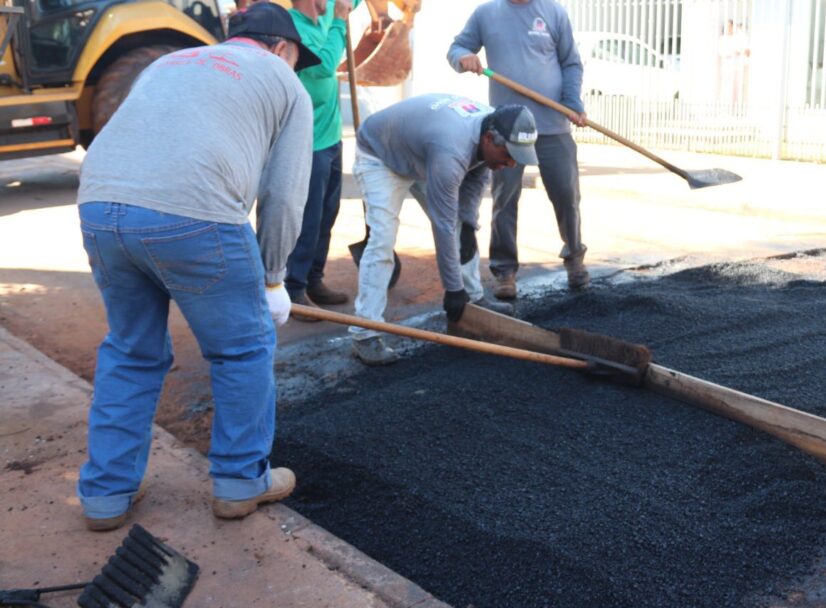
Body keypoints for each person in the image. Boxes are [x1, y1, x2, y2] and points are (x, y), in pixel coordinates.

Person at [75, 3, 318, 531]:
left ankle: (104, 497)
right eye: (297, 56)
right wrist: (273, 276)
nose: (296, 67)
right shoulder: (283, 80)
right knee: (242, 349)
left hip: (100, 207)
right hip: (195, 213)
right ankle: (239, 482)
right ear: (281, 48)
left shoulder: (170, 62)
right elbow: (284, 196)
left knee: (131, 351)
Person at [350, 94, 530, 365]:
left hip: (422, 152)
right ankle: (365, 333)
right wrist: (451, 289)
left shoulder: (493, 126)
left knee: (462, 227)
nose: (511, 164)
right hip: (381, 155)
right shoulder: (452, 150)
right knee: (383, 239)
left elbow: (476, 178)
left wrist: (468, 224)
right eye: (508, 156)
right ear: (489, 139)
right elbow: (442, 224)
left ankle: (473, 300)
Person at [448, 0, 589, 301]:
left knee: (566, 194)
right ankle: (504, 271)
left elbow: (571, 63)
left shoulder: (553, 12)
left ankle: (574, 257)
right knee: (505, 198)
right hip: (507, 132)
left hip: (552, 124)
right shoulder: (486, 14)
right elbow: (456, 49)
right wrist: (465, 58)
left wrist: (571, 102)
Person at [283, 0, 359, 319]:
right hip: (306, 141)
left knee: (328, 213)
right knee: (308, 218)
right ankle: (293, 287)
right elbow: (324, 65)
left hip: (331, 137)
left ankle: (314, 279)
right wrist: (340, 21)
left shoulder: (324, 14)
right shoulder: (290, 27)